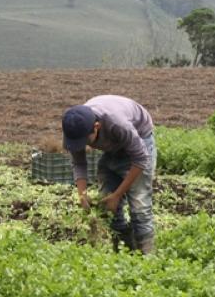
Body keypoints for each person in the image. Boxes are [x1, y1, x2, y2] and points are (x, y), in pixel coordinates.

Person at [61, 95, 156, 254]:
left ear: (96, 127)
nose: (82, 145)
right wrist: (82, 196)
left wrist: (118, 195)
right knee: (108, 207)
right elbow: (79, 162)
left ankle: (148, 260)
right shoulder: (74, 128)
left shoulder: (117, 124)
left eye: (85, 141)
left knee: (140, 207)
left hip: (140, 138)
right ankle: (124, 252)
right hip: (113, 143)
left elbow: (141, 159)